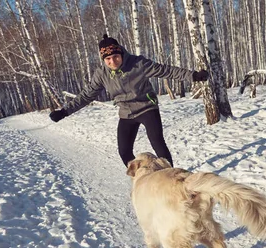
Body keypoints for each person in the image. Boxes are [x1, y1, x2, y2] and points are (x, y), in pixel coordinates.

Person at [49, 34, 209, 168]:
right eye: (108, 59)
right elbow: (86, 95)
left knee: (158, 143)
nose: (113, 62)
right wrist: (64, 112)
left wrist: (192, 75)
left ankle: (171, 178)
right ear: (103, 59)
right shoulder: (101, 74)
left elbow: (165, 70)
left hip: (147, 108)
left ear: (121, 54)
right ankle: (142, 178)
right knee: (124, 152)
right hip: (126, 114)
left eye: (115, 56)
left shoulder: (138, 63)